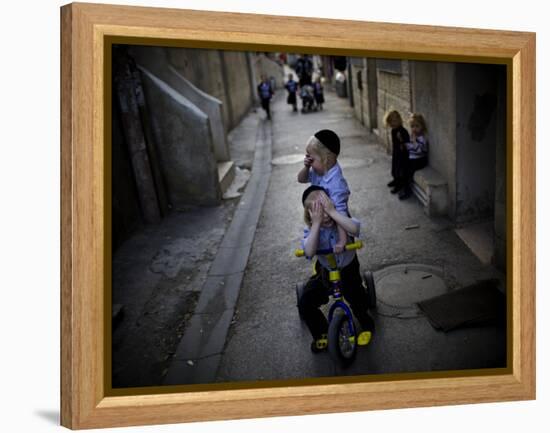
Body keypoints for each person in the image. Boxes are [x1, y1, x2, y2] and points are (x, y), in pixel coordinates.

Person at [298, 186, 374, 353]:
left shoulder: (339, 218)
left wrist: (333, 213)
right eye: (319, 212)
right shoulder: (311, 229)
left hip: (348, 268)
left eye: (327, 208)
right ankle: (322, 334)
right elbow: (309, 252)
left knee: (357, 297)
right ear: (310, 216)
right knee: (305, 302)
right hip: (326, 271)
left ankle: (367, 323)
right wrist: (316, 225)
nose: (325, 215)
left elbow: (355, 229)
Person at [297, 129, 349, 253]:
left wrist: (342, 241)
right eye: (307, 157)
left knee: (344, 267)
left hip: (336, 228)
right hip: (319, 223)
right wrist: (306, 167)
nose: (309, 161)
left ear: (326, 158)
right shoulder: (318, 171)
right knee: (322, 257)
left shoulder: (337, 183)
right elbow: (301, 179)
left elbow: (341, 212)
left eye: (312, 158)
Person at [398, 114, 429, 200]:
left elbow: (419, 150)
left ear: (422, 127)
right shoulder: (413, 137)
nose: (414, 129)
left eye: (417, 126)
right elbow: (411, 147)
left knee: (407, 172)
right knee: (401, 166)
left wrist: (414, 142)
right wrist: (405, 145)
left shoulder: (422, 138)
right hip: (413, 159)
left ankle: (408, 192)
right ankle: (402, 186)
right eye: (412, 126)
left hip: (420, 160)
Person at [383, 109, 410, 195]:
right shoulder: (393, 130)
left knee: (399, 170)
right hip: (396, 153)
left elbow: (406, 144)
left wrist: (401, 140)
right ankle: (395, 180)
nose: (392, 124)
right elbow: (394, 143)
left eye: (394, 121)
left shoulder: (403, 131)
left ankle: (399, 184)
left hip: (403, 155)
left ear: (399, 120)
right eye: (390, 123)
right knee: (394, 168)